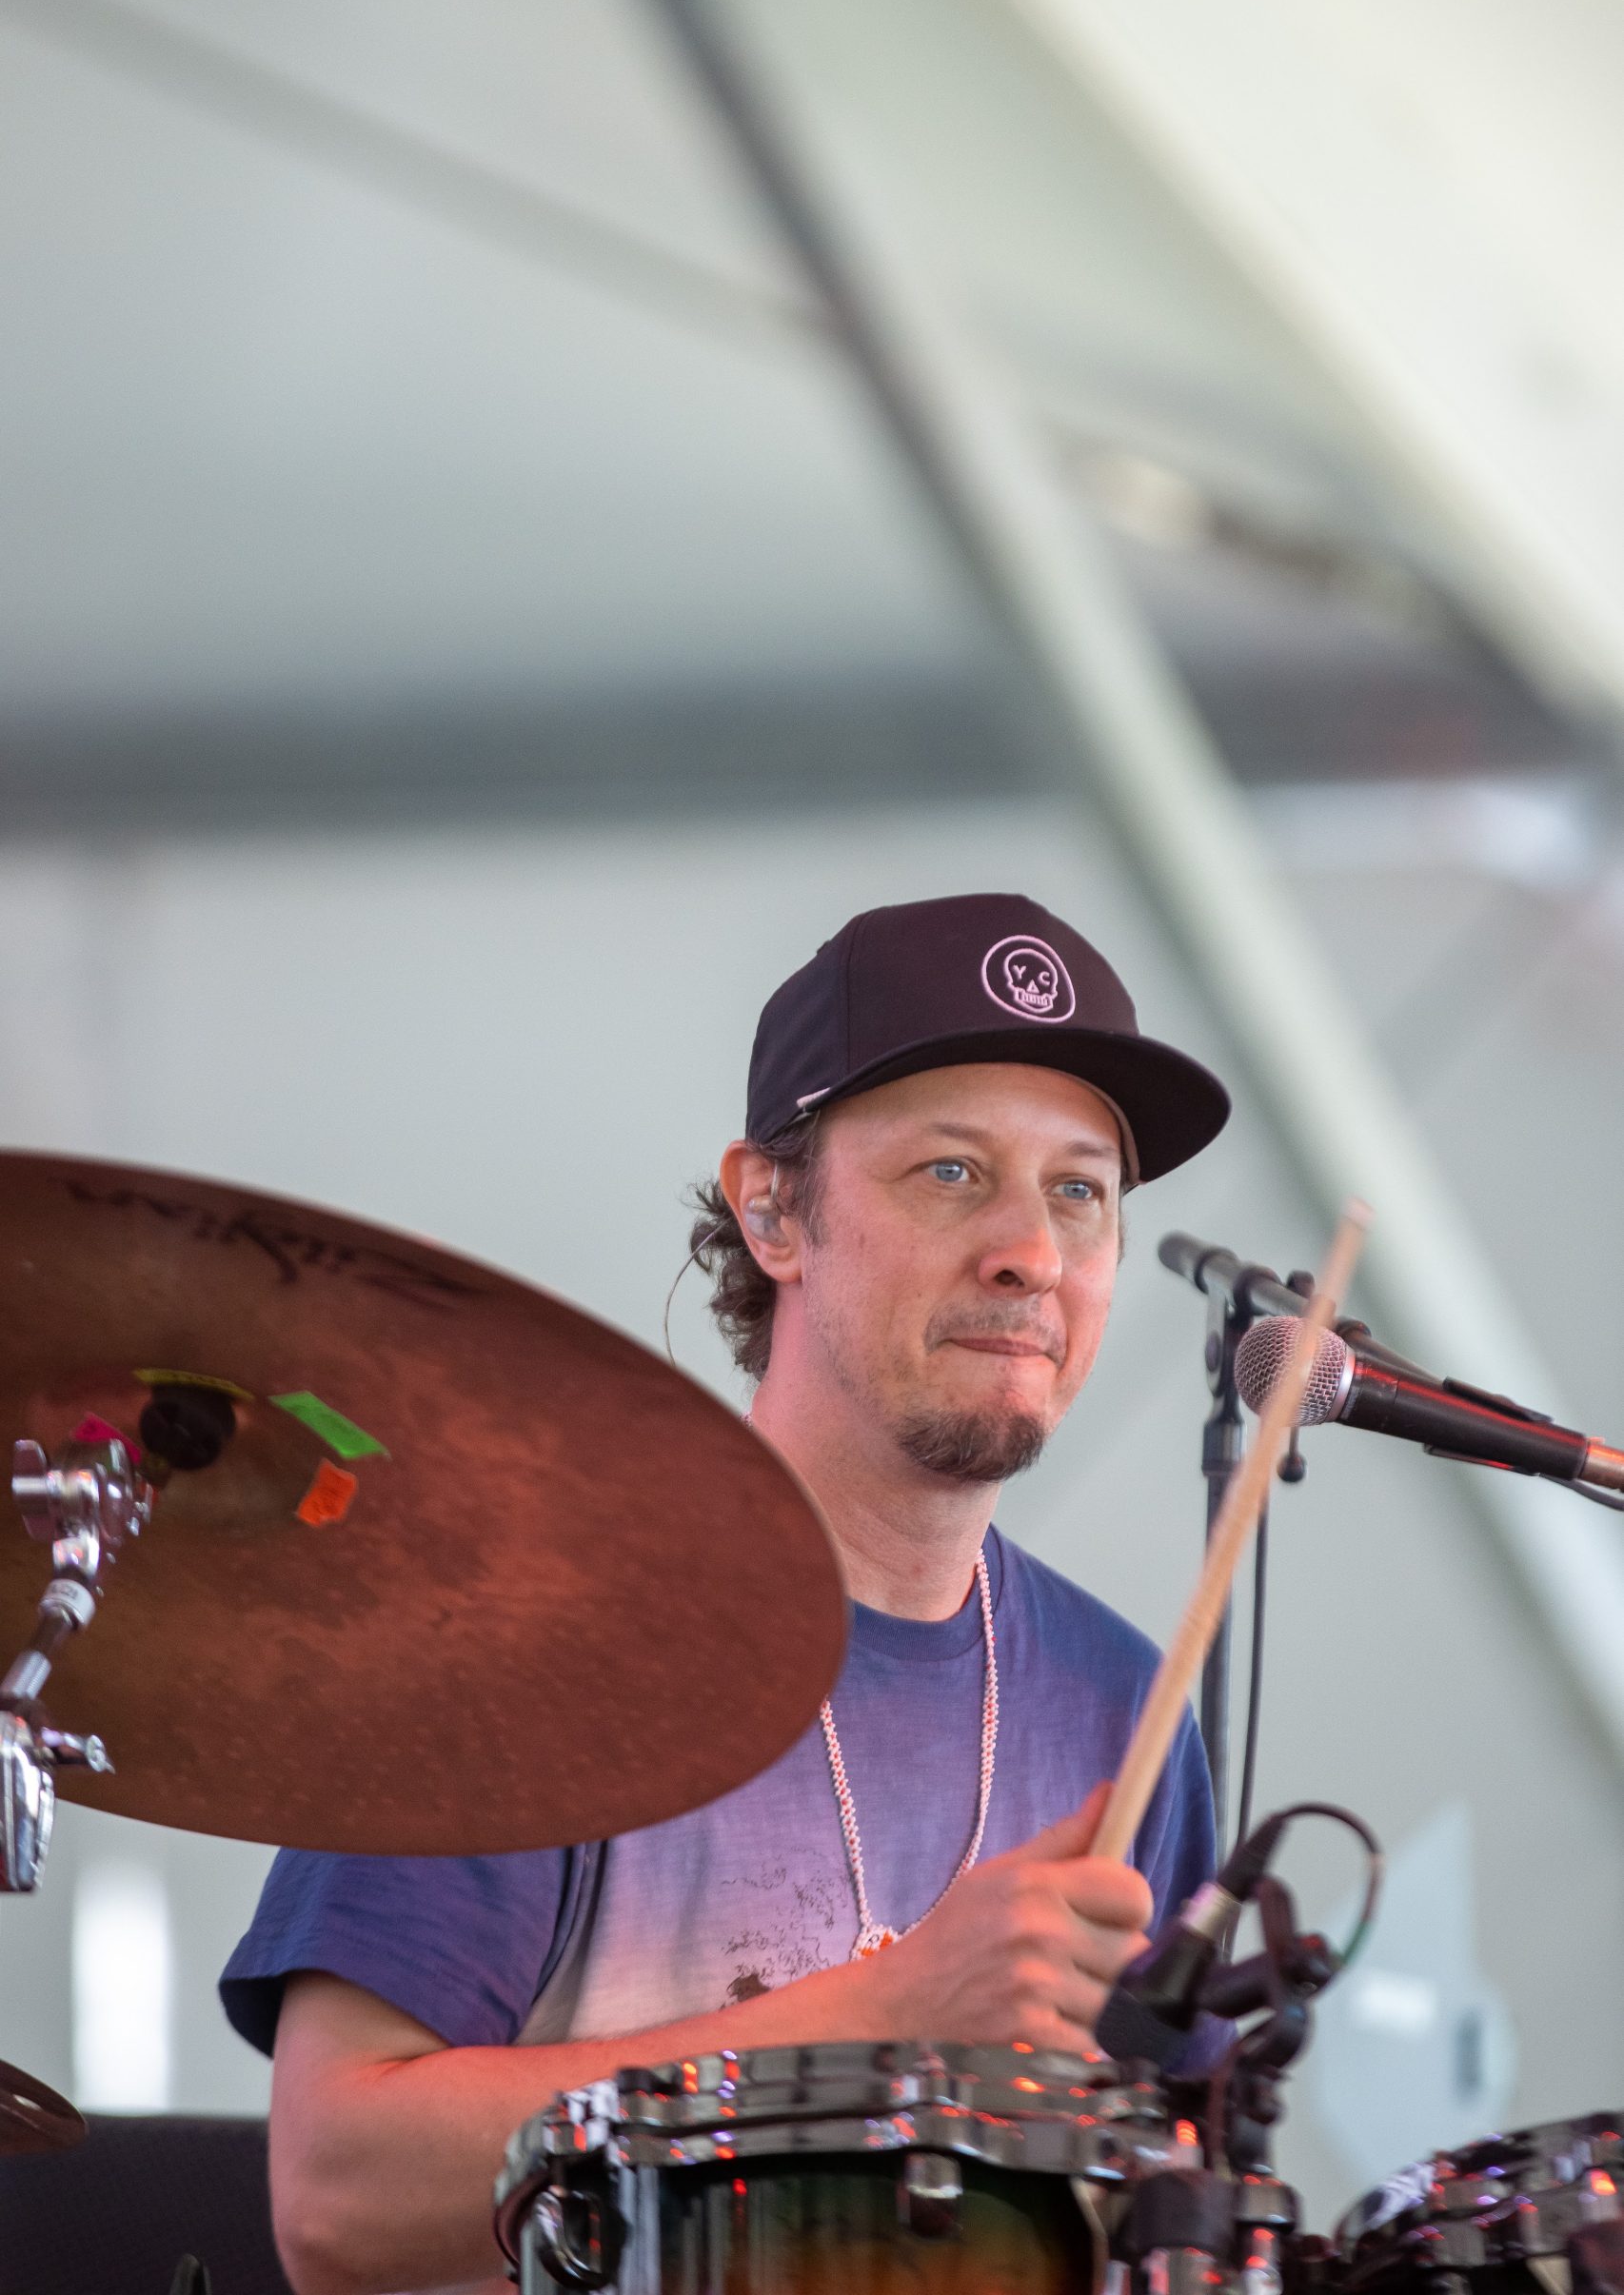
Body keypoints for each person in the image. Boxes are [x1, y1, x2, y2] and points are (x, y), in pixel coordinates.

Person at [221, 891, 1232, 2295]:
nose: (1032, 1253)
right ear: (772, 1208)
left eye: (1079, 1190)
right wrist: (887, 2012)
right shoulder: (522, 1630)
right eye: (950, 1173)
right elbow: (335, 2198)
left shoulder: (1125, 1699)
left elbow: (1166, 2206)